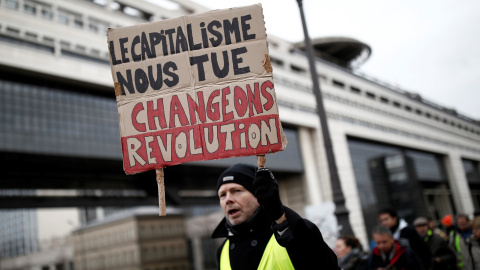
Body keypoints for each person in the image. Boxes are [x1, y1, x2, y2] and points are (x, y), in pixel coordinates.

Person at [211, 163, 338, 269]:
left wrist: (280, 215)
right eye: (222, 195)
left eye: (236, 191)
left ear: (259, 195)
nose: (228, 200)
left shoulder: (292, 232)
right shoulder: (222, 251)